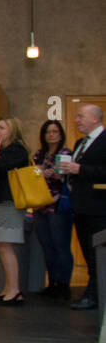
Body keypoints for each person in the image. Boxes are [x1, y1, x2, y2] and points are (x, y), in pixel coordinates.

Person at [63, 104, 106, 311]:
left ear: (95, 119)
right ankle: (94, 291)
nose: (77, 120)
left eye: (81, 116)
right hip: (80, 207)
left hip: (99, 208)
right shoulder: (80, 142)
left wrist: (81, 169)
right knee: (88, 253)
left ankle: (94, 294)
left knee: (97, 252)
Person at [0, 117, 30, 305]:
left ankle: (14, 290)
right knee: (1, 245)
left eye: (1, 127)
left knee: (6, 245)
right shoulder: (4, 151)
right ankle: (7, 288)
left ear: (12, 131)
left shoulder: (17, 150)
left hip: (9, 204)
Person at [32, 119, 74, 299]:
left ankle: (64, 284)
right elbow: (31, 174)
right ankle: (53, 282)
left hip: (58, 207)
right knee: (47, 247)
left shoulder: (66, 153)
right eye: (48, 132)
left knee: (61, 246)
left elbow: (67, 177)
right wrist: (40, 173)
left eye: (55, 131)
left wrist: (52, 174)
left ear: (60, 134)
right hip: (40, 205)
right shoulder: (38, 155)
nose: (51, 135)